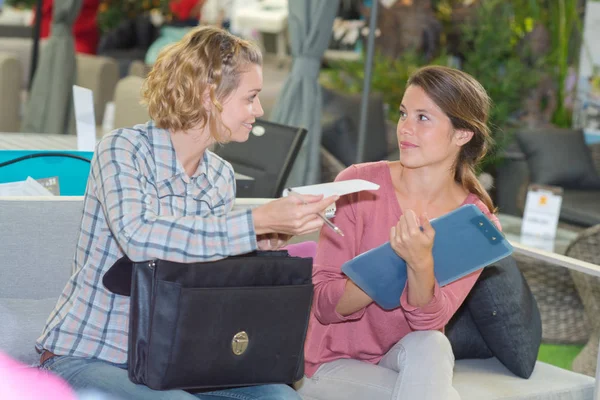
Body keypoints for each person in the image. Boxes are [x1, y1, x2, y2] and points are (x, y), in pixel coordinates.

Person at [36, 26, 337, 400]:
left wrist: (258, 246)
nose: (259, 111)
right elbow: (139, 238)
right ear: (209, 95)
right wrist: (254, 222)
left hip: (175, 363)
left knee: (281, 397)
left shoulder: (219, 177)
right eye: (251, 98)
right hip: (88, 356)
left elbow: (200, 282)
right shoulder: (123, 149)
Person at [296, 65, 501, 400]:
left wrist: (421, 265)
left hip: (401, 360)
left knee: (433, 343)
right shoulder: (357, 185)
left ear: (462, 134)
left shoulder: (476, 223)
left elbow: (428, 324)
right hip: (329, 363)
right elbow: (324, 305)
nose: (405, 128)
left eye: (423, 118)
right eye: (404, 114)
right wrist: (389, 268)